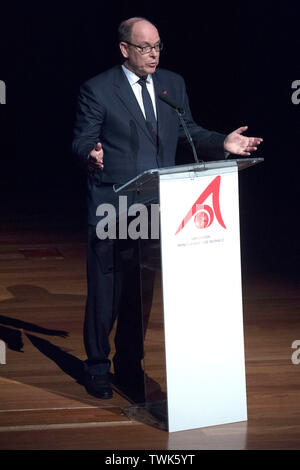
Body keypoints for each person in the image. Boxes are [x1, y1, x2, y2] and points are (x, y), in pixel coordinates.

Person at [72, 17, 262, 400]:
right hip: (114, 206)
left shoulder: (172, 84)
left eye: (158, 46)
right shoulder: (97, 89)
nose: (153, 54)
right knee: (107, 290)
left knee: (140, 292)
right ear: (124, 49)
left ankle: (129, 364)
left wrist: (223, 142)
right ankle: (97, 367)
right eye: (144, 47)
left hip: (158, 205)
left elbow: (187, 130)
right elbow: (82, 140)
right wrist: (91, 155)